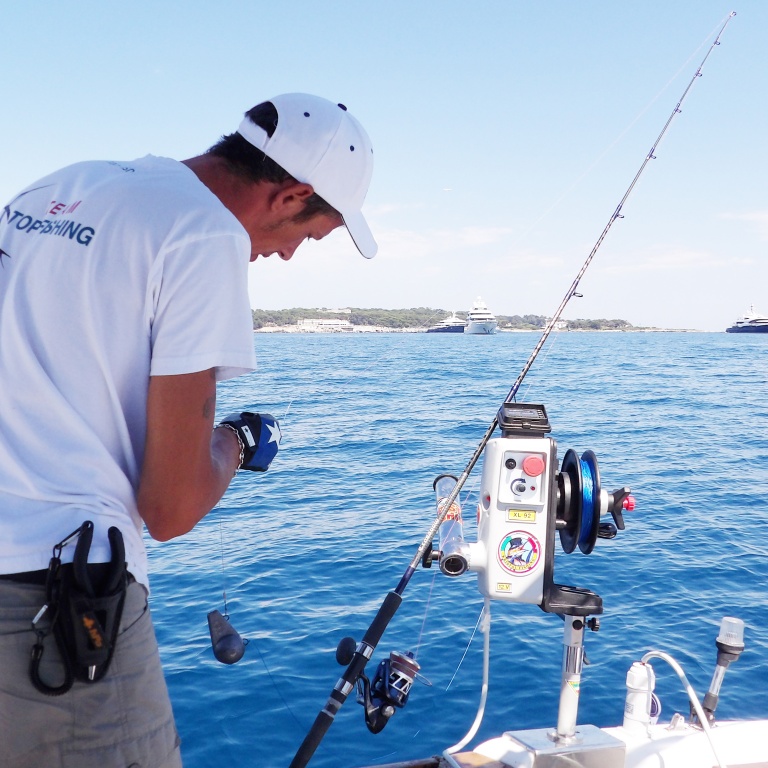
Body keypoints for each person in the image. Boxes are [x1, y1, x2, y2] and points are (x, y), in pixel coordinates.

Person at [0, 93, 376, 768]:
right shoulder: (206, 234)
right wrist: (237, 442)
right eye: (308, 235)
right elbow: (170, 509)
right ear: (292, 194)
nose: (289, 256)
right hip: (52, 608)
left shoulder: (62, 184)